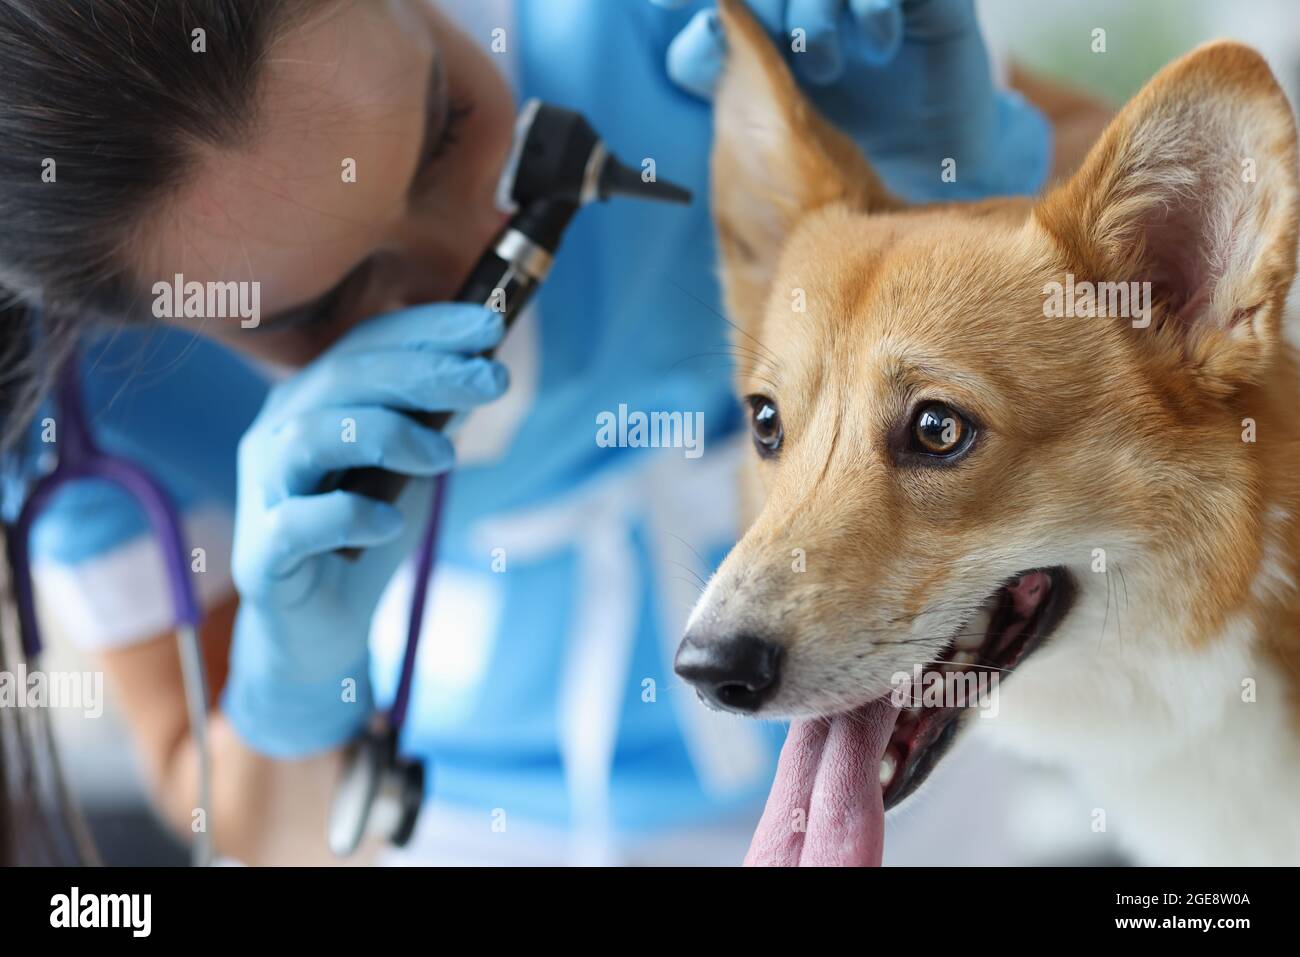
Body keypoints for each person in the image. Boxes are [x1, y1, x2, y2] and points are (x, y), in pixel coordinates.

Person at [0, 0, 1049, 865]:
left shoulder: (676, 36)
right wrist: (290, 688)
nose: (474, 255)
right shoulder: (87, 418)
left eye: (445, 124)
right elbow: (253, 833)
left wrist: (958, 181)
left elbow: (1112, 346)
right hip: (454, 823)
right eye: (317, 309)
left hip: (894, 779)